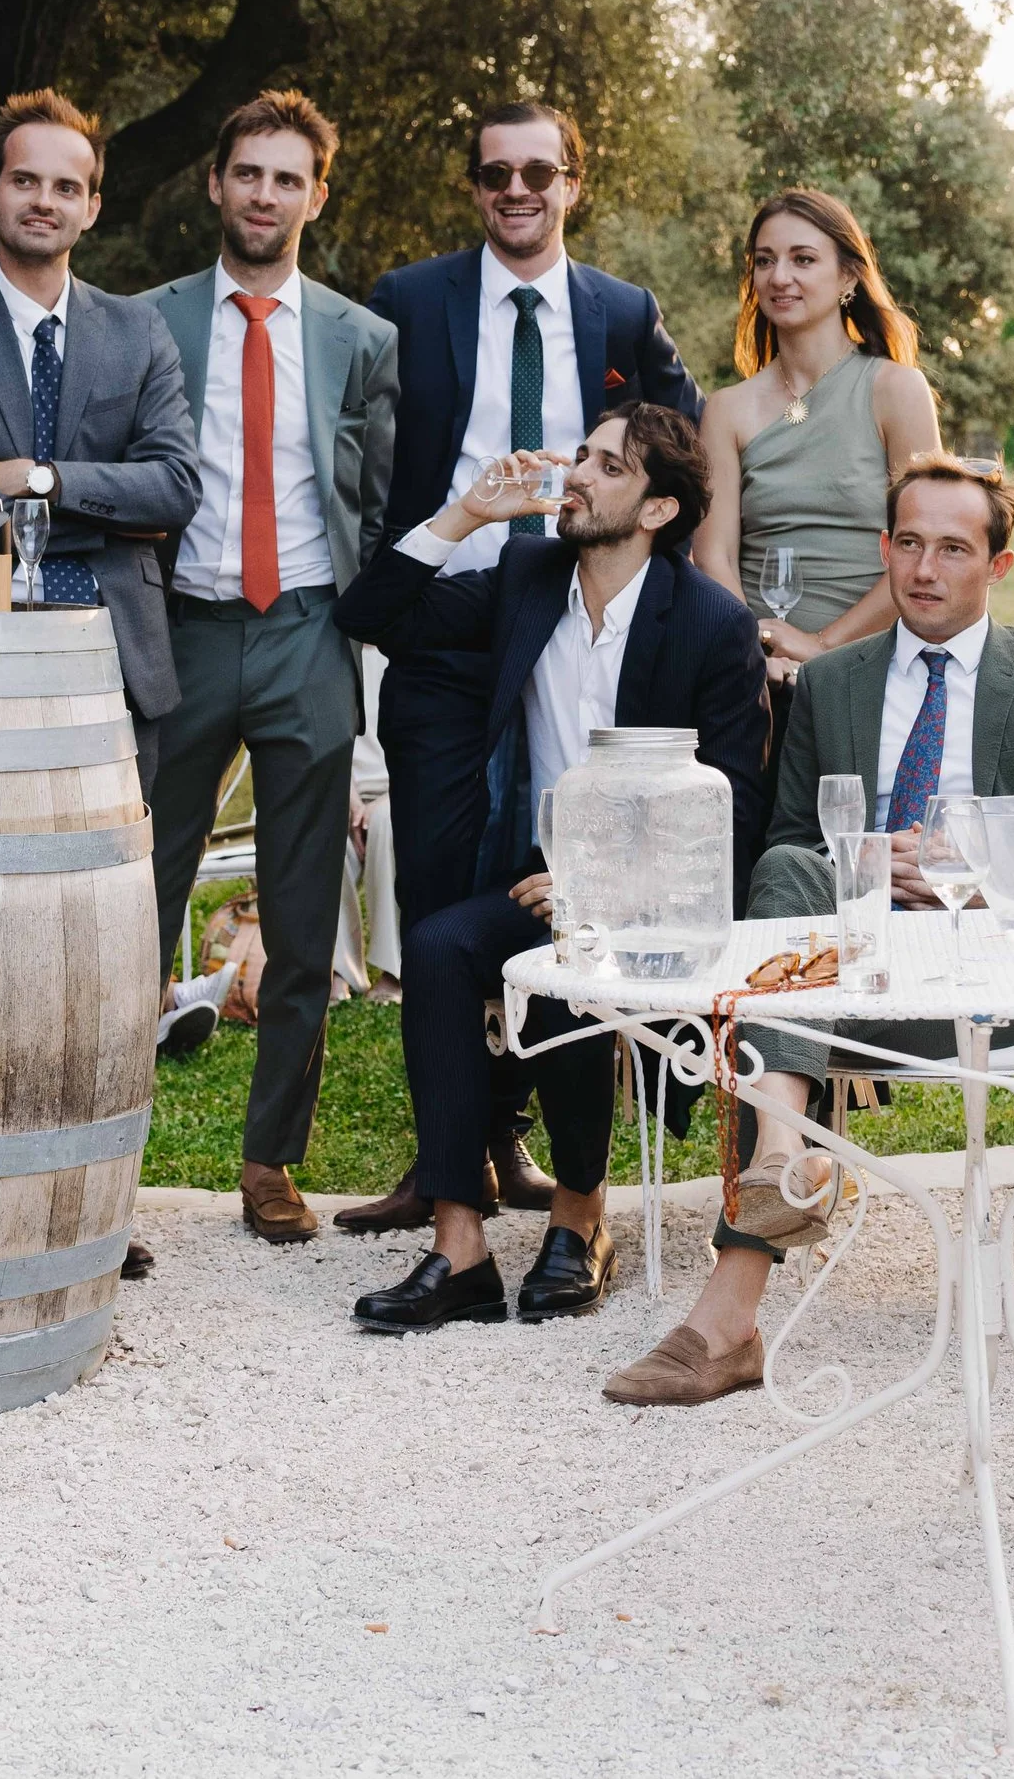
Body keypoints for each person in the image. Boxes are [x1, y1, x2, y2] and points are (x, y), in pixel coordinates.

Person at [604, 455, 1014, 1406]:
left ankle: (728, 1310)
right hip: (846, 993)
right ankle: (779, 1159)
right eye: (908, 542)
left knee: (781, 964)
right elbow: (786, 852)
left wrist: (976, 871)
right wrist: (864, 862)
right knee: (788, 870)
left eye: (953, 547)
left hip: (1004, 996)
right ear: (883, 549)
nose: (925, 567)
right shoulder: (834, 683)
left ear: (997, 566)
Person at [340, 100, 700, 1234]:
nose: (516, 189)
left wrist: (654, 594)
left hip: (567, 614)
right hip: (449, 633)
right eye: (495, 172)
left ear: (571, 183)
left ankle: (525, 1144)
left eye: (538, 170)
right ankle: (450, 1147)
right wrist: (443, 527)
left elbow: (680, 447)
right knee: (445, 887)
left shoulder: (622, 312)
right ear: (474, 186)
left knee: (560, 876)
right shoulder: (407, 299)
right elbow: (360, 455)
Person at [335, 404, 769, 1331]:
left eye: (607, 467)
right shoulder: (528, 574)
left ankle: (581, 1217)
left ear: (657, 509)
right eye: (582, 455)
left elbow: (728, 805)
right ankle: (460, 1245)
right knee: (442, 945)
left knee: (577, 954)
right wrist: (465, 515)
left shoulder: (709, 623)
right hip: (534, 863)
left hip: (653, 886)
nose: (576, 474)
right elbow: (372, 616)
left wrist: (605, 883)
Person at [0, 88, 201, 1281]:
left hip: (111, 673)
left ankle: (90, 1200)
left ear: (92, 204)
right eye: (26, 180)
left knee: (104, 948)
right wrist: (70, 490)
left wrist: (41, 471)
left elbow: (174, 486)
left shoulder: (137, 334)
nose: (45, 201)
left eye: (67, 186)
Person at [135, 92, 399, 1245]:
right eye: (247, 173)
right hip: (179, 629)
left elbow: (379, 503)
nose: (264, 195)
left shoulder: (360, 337)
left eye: (287, 179)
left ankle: (269, 1160)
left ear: (316, 194)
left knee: (300, 914)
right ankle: (104, 1163)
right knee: (134, 904)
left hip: (304, 628)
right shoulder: (143, 321)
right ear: (215, 183)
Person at [689, 190, 942, 686]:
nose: (779, 277)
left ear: (848, 275)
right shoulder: (726, 409)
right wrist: (753, 653)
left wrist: (822, 646)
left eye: (803, 259)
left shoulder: (897, 390)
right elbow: (712, 555)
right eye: (765, 261)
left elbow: (924, 550)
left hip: (877, 664)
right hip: (756, 674)